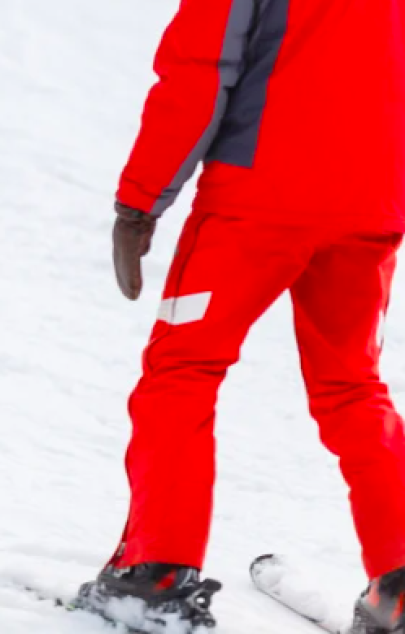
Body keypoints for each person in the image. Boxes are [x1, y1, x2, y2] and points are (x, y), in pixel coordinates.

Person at [76, 1, 405, 632]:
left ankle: (158, 575)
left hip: (256, 202)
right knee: (353, 387)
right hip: (372, 205)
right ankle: (401, 587)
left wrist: (140, 203)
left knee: (183, 371)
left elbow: (200, 66)